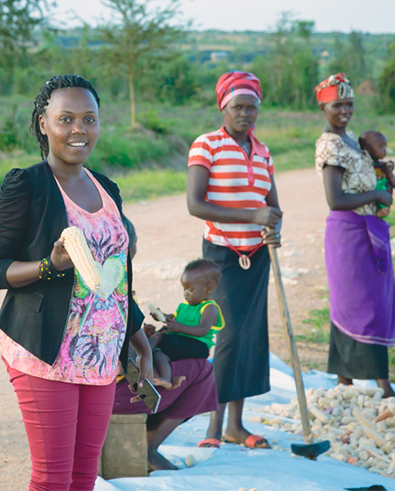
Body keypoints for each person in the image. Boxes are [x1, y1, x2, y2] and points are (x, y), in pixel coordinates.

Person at [0, 74, 154, 491]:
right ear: (44, 124)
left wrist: (140, 344)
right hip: (47, 355)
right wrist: (50, 265)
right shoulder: (26, 184)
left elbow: (117, 282)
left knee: (84, 476)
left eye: (89, 119)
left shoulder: (107, 188)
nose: (79, 129)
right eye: (66, 118)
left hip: (100, 358)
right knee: (52, 478)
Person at [186, 71, 281, 450]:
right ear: (223, 107)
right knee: (227, 335)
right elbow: (196, 205)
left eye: (252, 107)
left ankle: (235, 426)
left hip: (257, 256)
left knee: (249, 337)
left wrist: (273, 226)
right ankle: (213, 424)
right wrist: (252, 216)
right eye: (238, 107)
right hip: (222, 256)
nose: (246, 114)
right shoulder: (206, 145)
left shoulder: (263, 152)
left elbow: (272, 206)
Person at [314, 73, 395, 398]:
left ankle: (346, 380)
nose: (344, 110)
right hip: (347, 235)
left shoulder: (351, 140)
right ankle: (379, 382)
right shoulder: (330, 145)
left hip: (367, 233)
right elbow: (335, 199)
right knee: (357, 305)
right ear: (323, 107)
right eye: (338, 104)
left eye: (349, 103)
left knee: (370, 304)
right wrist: (375, 198)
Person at [112, 356, 219, 471]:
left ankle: (144, 446)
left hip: (99, 391)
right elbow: (141, 354)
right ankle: (147, 448)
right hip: (112, 392)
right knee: (203, 370)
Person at [147, 259, 224, 390]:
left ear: (208, 288)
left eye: (190, 289)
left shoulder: (210, 308)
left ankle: (144, 352)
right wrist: (161, 316)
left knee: (161, 337)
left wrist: (180, 328)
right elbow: (173, 320)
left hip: (197, 345)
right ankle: (165, 379)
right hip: (182, 342)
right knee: (160, 354)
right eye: (184, 289)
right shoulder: (184, 306)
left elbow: (203, 330)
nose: (186, 293)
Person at [358, 129, 395, 218]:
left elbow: (393, 180)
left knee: (387, 186)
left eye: (385, 147)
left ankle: (380, 211)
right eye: (381, 147)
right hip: (366, 197)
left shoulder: (384, 166)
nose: (385, 150)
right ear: (366, 149)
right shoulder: (359, 165)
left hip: (382, 194)